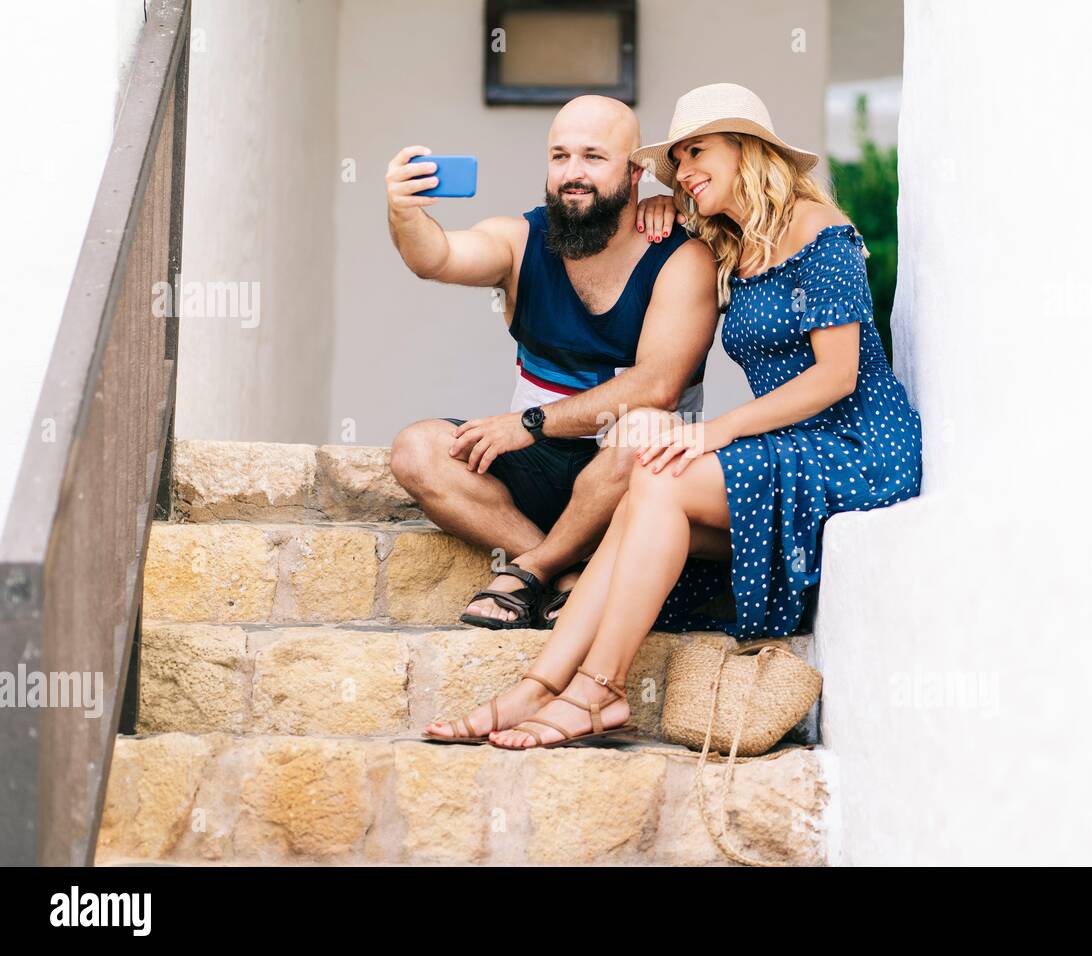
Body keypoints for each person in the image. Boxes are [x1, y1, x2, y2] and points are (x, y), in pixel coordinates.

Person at [425, 82, 923, 748]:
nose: (684, 172)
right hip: (785, 450)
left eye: (697, 153)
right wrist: (658, 207)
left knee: (659, 472)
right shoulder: (731, 244)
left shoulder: (822, 233)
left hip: (857, 449)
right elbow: (646, 228)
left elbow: (836, 378)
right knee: (646, 486)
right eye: (676, 162)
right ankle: (535, 688)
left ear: (748, 151)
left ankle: (599, 689)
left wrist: (710, 432)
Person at [386, 95, 717, 636]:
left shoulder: (682, 258)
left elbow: (656, 386)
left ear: (635, 172)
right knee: (416, 449)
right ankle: (564, 571)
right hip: (537, 469)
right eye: (559, 156)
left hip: (625, 482)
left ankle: (529, 571)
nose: (572, 173)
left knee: (646, 429)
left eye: (593, 157)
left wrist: (527, 423)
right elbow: (438, 257)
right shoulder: (520, 240)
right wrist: (404, 212)